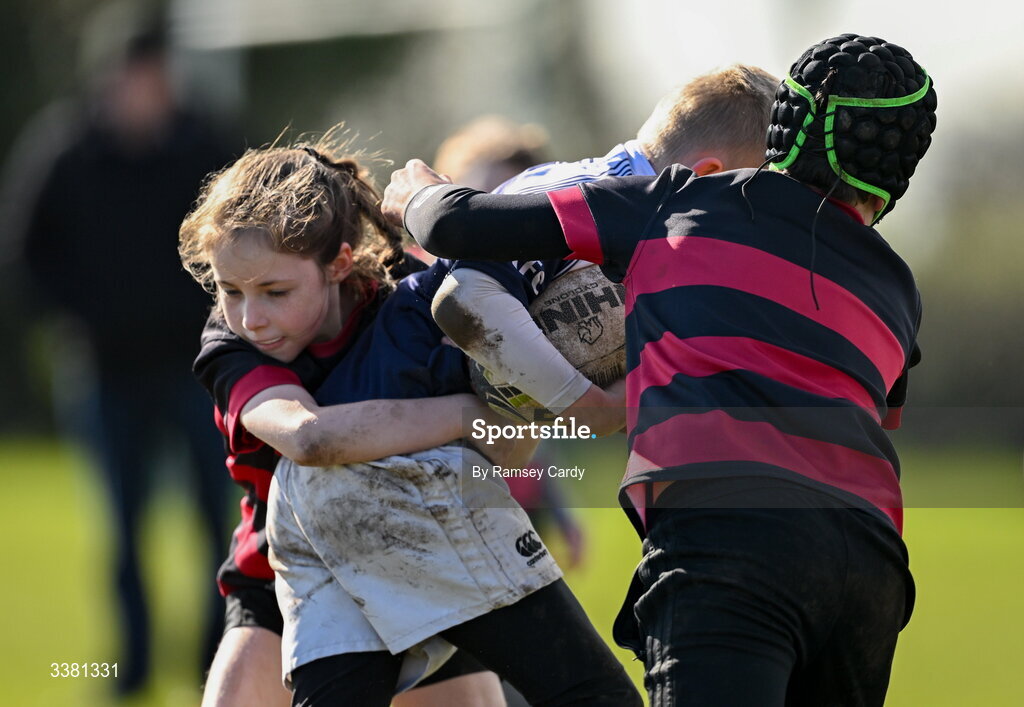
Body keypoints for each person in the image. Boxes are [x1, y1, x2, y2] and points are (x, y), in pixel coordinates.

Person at [382, 34, 937, 707]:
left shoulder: (684, 204)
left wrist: (416, 190)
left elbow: (456, 228)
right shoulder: (899, 287)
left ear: (790, 129)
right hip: (873, 566)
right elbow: (879, 409)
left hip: (728, 536)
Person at [180, 139, 637, 705]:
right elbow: (310, 436)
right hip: (280, 575)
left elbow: (512, 449)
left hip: (426, 546)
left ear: (339, 263)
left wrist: (570, 399)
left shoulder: (417, 300)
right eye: (230, 291)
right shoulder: (231, 345)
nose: (252, 316)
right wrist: (468, 413)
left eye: (275, 292)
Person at [430, 65, 779, 569]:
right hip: (398, 442)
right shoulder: (579, 195)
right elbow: (465, 298)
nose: (751, 222)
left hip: (463, 465)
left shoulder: (656, 233)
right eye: (749, 197)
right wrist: (587, 407)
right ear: (705, 175)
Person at [7, 20, 235, 693]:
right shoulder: (64, 151)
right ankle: (130, 667)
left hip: (199, 368)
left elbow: (259, 230)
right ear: (113, 80)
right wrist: (79, 312)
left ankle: (214, 657)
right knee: (123, 527)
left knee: (215, 519)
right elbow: (24, 250)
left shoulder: (207, 144)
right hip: (105, 371)